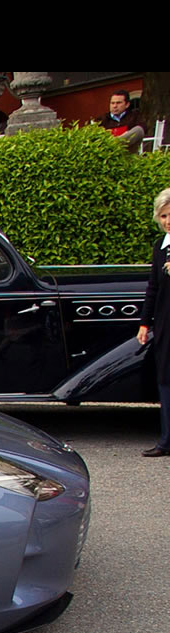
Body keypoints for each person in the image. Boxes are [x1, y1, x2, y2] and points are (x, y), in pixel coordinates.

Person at [138, 188, 170, 456]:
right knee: (165, 380)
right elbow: (153, 288)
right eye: (164, 216)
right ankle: (166, 440)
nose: (168, 220)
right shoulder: (160, 249)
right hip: (165, 324)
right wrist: (144, 323)